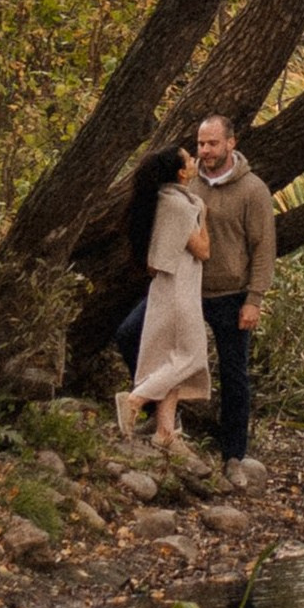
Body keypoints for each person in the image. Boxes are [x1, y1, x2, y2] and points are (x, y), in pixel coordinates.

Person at [192, 111, 276, 468]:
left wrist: (254, 299)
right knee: (132, 333)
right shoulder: (187, 181)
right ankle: (165, 421)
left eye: (212, 143)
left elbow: (264, 248)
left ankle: (234, 457)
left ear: (231, 143)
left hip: (231, 295)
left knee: (234, 376)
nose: (205, 150)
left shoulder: (252, 190)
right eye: (200, 144)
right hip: (187, 290)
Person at [114, 146, 211, 453]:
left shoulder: (164, 200)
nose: (195, 160)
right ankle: (135, 399)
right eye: (189, 159)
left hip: (165, 289)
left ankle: (165, 432)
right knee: (191, 356)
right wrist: (204, 215)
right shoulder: (181, 207)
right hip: (179, 290)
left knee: (169, 358)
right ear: (181, 172)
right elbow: (203, 250)